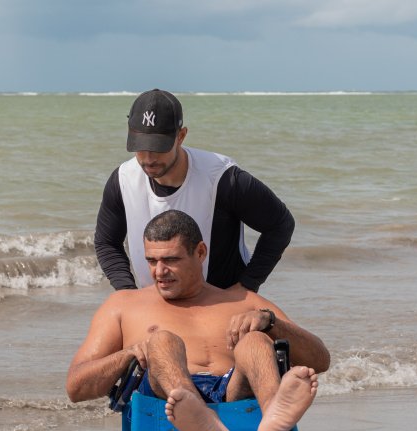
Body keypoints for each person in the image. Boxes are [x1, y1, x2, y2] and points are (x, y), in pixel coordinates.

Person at [69, 210, 329, 431]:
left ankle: (274, 409)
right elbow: (76, 387)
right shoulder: (123, 305)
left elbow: (320, 359)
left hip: (233, 390)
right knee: (162, 341)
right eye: (152, 261)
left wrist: (271, 323)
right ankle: (197, 411)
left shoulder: (244, 301)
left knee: (256, 341)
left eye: (171, 260)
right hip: (168, 399)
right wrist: (127, 355)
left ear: (200, 252)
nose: (159, 271)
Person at [94, 88, 295, 293]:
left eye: (158, 147)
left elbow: (280, 224)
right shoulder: (123, 180)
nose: (148, 157)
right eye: (140, 146)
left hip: (222, 300)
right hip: (155, 302)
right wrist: (127, 292)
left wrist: (247, 286)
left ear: (181, 136)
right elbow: (106, 242)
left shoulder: (223, 179)